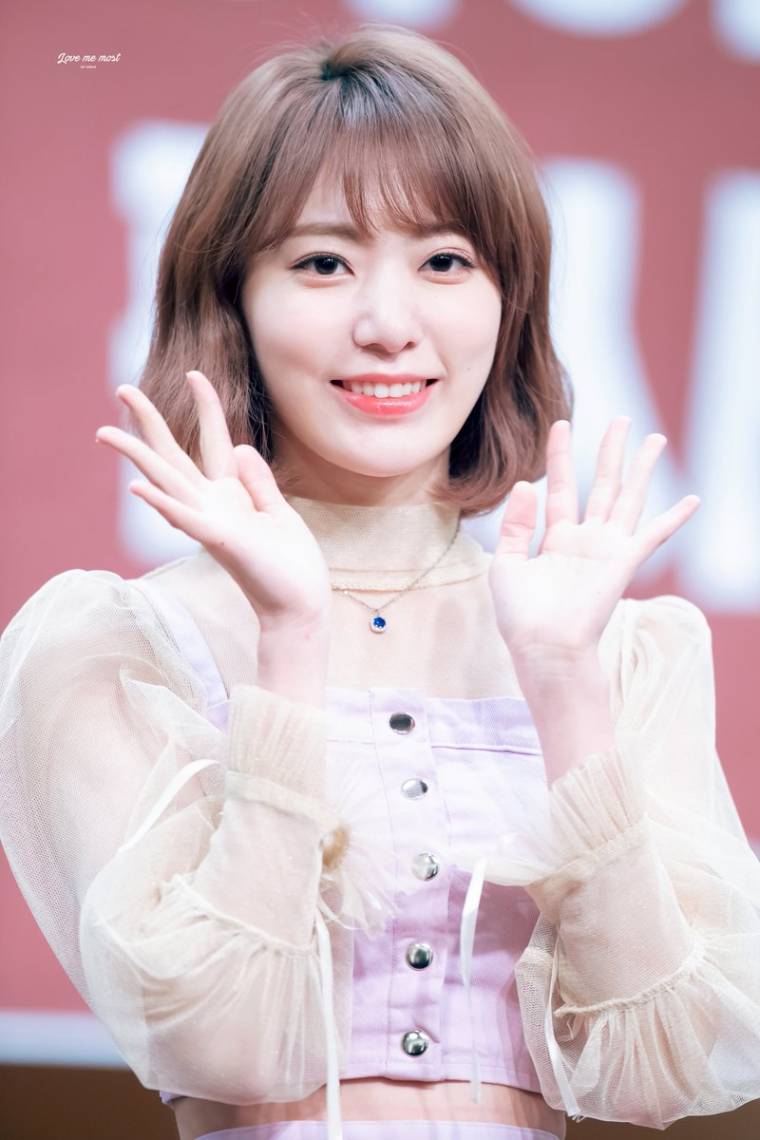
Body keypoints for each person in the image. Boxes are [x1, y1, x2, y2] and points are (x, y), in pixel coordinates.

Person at [2, 22, 760, 1140]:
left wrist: (562, 680)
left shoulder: (618, 651)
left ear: (508, 301)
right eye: (323, 263)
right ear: (232, 300)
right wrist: (290, 638)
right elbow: (227, 1044)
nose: (388, 325)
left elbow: (662, 1072)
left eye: (445, 261)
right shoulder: (115, 644)